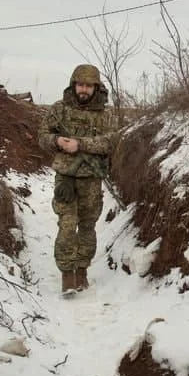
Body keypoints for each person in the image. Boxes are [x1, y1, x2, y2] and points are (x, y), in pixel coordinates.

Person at [38, 64, 118, 295]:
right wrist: (57, 142)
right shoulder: (59, 109)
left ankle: (82, 269)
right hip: (66, 177)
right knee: (66, 225)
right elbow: (42, 136)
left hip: (91, 178)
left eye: (88, 86)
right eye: (80, 85)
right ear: (73, 85)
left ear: (96, 87)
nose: (84, 89)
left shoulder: (106, 114)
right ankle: (67, 274)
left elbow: (112, 141)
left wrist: (81, 144)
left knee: (87, 226)